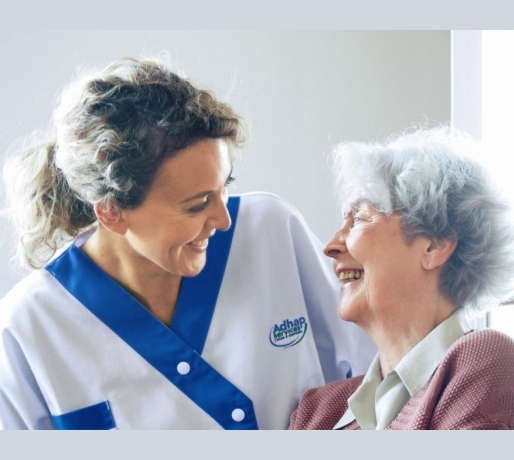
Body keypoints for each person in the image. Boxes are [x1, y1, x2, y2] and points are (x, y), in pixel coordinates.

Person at [0, 57, 375, 430]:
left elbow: (382, 376)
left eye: (225, 186)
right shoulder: (27, 327)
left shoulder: (272, 231)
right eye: (197, 204)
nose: (223, 220)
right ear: (111, 212)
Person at [289, 127, 514, 430]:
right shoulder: (317, 411)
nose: (330, 246)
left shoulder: (487, 361)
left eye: (358, 219)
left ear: (434, 245)